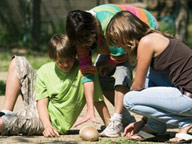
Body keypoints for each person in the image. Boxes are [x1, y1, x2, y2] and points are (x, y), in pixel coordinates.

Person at [66, 3, 159, 137]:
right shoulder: (79, 35)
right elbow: (87, 72)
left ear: (95, 28)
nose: (85, 47)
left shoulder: (108, 24)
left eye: (87, 43)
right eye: (81, 44)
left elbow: (120, 58)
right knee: (101, 76)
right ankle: (125, 119)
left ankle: (117, 119)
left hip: (141, 27)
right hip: (112, 44)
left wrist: (105, 63)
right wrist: (90, 108)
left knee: (122, 70)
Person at [106, 11, 192, 143]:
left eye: (118, 40)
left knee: (129, 99)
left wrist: (121, 110)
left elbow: (137, 86)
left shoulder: (146, 42)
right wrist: (143, 121)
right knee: (149, 77)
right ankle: (155, 126)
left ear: (126, 33)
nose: (118, 46)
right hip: (185, 94)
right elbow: (148, 85)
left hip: (188, 98)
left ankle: (185, 122)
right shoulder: (154, 36)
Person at [0, 33, 110, 136]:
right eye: (60, 62)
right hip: (41, 109)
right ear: (53, 59)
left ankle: (5, 119)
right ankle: (5, 112)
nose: (65, 64)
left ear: (75, 54)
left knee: (2, 123)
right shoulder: (44, 70)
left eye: (69, 59)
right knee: (18, 62)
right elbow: (41, 104)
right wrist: (46, 125)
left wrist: (110, 126)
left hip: (50, 121)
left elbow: (98, 101)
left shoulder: (86, 72)